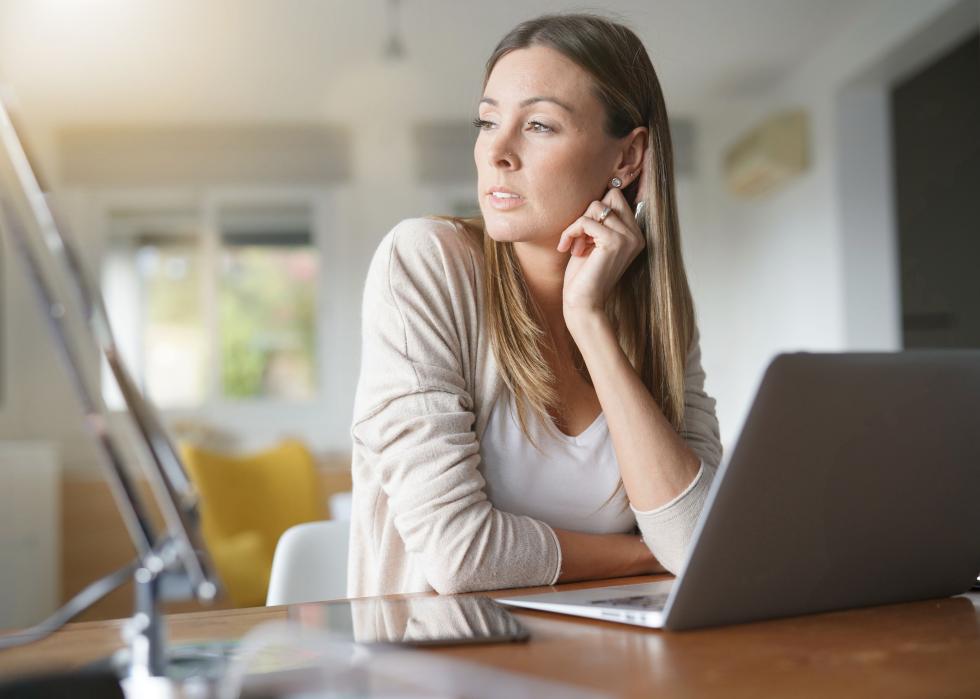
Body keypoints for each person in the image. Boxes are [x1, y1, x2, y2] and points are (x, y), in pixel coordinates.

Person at [348, 12, 722, 597]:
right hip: (443, 667)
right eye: (487, 120)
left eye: (540, 125)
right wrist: (642, 556)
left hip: (616, 665)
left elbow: (699, 538)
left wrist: (590, 321)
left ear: (627, 159)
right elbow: (461, 554)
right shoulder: (426, 262)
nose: (496, 151)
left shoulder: (659, 310)